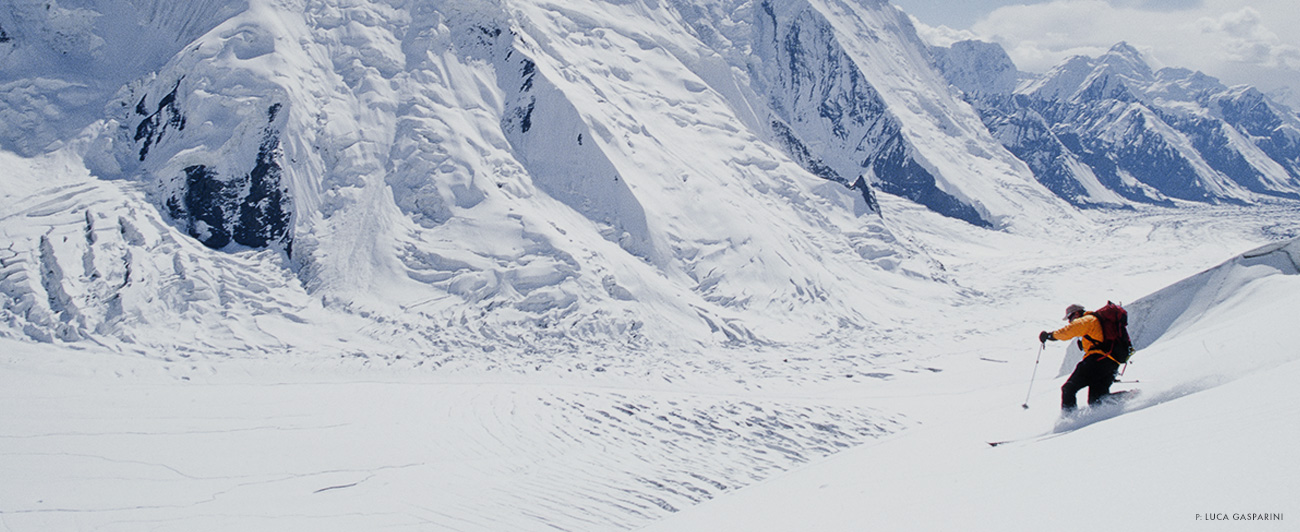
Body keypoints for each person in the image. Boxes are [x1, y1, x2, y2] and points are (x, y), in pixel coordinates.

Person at [1038, 304, 1121, 412]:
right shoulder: (1093, 321)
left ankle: (1068, 418)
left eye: (1070, 317)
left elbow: (1068, 332)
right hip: (1110, 361)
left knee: (1068, 388)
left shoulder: (1086, 320)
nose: (1069, 321)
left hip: (1097, 360)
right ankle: (1130, 398)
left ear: (1077, 313)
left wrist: (1050, 336)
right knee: (1096, 401)